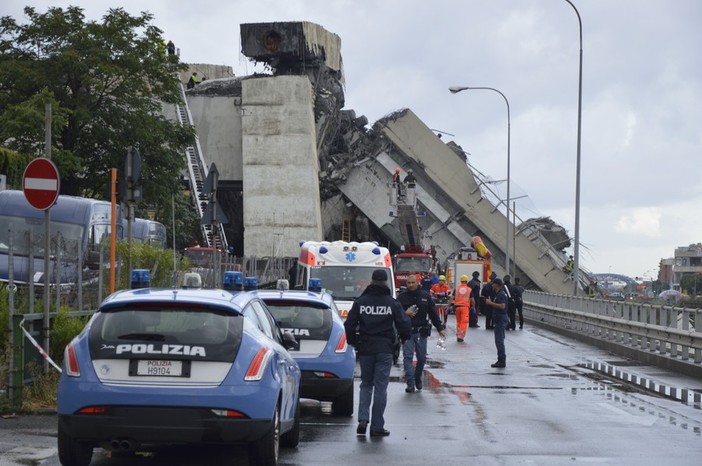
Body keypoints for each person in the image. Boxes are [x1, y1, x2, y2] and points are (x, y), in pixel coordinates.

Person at [344, 269, 411, 437]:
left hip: (366, 348)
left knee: (366, 384)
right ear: (386, 282)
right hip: (385, 349)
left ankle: (362, 419)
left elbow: (349, 325)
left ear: (371, 282)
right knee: (381, 387)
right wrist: (405, 339)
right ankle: (377, 426)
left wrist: (353, 342)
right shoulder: (392, 303)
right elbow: (404, 323)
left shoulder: (360, 302)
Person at [399, 274, 446, 393]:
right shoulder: (402, 297)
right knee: (407, 357)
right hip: (408, 331)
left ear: (417, 283)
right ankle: (410, 383)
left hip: (421, 332)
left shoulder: (425, 296)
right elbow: (396, 314)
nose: (410, 285)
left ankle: (417, 377)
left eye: (412, 283)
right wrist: (405, 313)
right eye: (408, 283)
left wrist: (440, 328)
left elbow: (433, 313)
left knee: (421, 358)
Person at [485, 277, 509, 368]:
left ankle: (501, 361)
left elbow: (502, 306)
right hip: (499, 319)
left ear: (497, 285)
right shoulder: (499, 294)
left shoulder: (501, 294)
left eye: (493, 284)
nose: (492, 285)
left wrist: (490, 303)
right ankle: (501, 360)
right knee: (499, 340)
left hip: (500, 319)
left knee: (499, 341)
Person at [452, 274, 473, 342]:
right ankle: (460, 336)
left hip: (457, 307)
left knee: (459, 322)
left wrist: (449, 306)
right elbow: (472, 299)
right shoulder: (469, 289)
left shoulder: (457, 289)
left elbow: (452, 298)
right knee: (464, 322)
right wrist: (474, 306)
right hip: (465, 307)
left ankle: (458, 334)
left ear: (461, 281)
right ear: (467, 281)